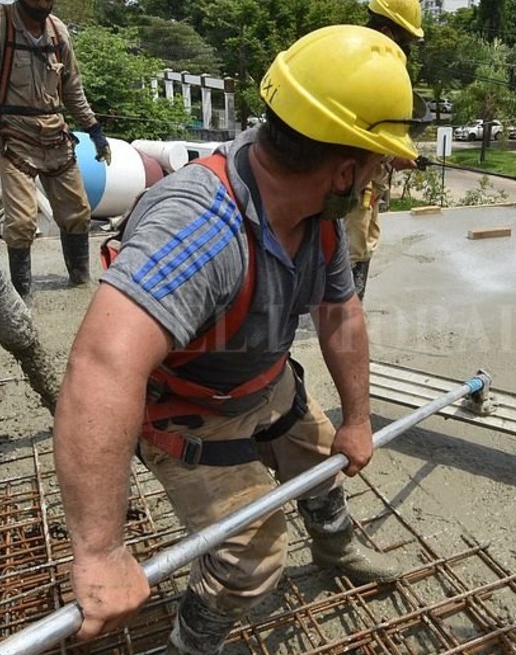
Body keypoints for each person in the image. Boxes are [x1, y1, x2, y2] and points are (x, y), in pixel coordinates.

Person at [53, 25, 426, 654]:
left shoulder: (319, 217)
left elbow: (341, 315)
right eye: (375, 164)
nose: (378, 179)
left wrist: (357, 419)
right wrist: (101, 551)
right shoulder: (201, 226)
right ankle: (191, 645)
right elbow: (100, 368)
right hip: (193, 412)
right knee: (251, 561)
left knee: (323, 465)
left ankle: (337, 549)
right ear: (342, 170)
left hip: (268, 381)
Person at [0, 0, 110, 299]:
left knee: (78, 213)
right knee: (22, 220)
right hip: (14, 136)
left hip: (56, 135)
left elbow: (71, 87)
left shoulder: (58, 31)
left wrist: (94, 129)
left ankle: (80, 282)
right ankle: (21, 295)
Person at [343, 0, 428, 299]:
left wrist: (394, 157)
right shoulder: (367, 70)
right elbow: (359, 136)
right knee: (351, 253)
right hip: (351, 189)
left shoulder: (359, 60)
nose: (407, 51)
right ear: (386, 32)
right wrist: (393, 155)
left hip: (367, 189)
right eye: (406, 42)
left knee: (363, 245)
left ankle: (349, 309)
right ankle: (344, 316)